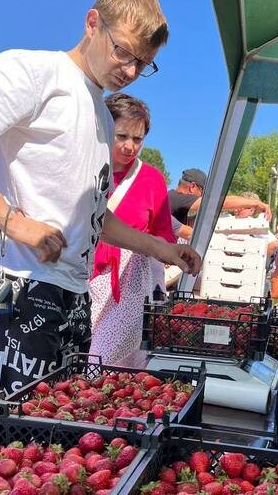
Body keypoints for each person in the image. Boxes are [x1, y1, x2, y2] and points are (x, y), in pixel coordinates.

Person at [0, 0, 200, 398]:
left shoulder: (103, 116)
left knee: (52, 440)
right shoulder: (37, 73)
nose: (129, 70)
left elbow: (93, 214)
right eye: (122, 50)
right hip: (21, 285)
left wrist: (160, 248)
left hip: (72, 292)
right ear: (92, 23)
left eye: (142, 63)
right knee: (11, 439)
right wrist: (13, 222)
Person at [89, 93, 175, 363]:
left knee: (101, 361)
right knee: (78, 356)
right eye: (122, 136)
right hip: (82, 278)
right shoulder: (85, 168)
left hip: (129, 287)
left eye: (137, 139)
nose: (130, 146)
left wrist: (171, 253)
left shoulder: (151, 179)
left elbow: (164, 234)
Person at [168, 168, 272, 226]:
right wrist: (256, 203)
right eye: (202, 192)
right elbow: (219, 202)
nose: (202, 196)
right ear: (192, 187)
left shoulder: (175, 200)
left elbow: (188, 223)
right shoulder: (178, 198)